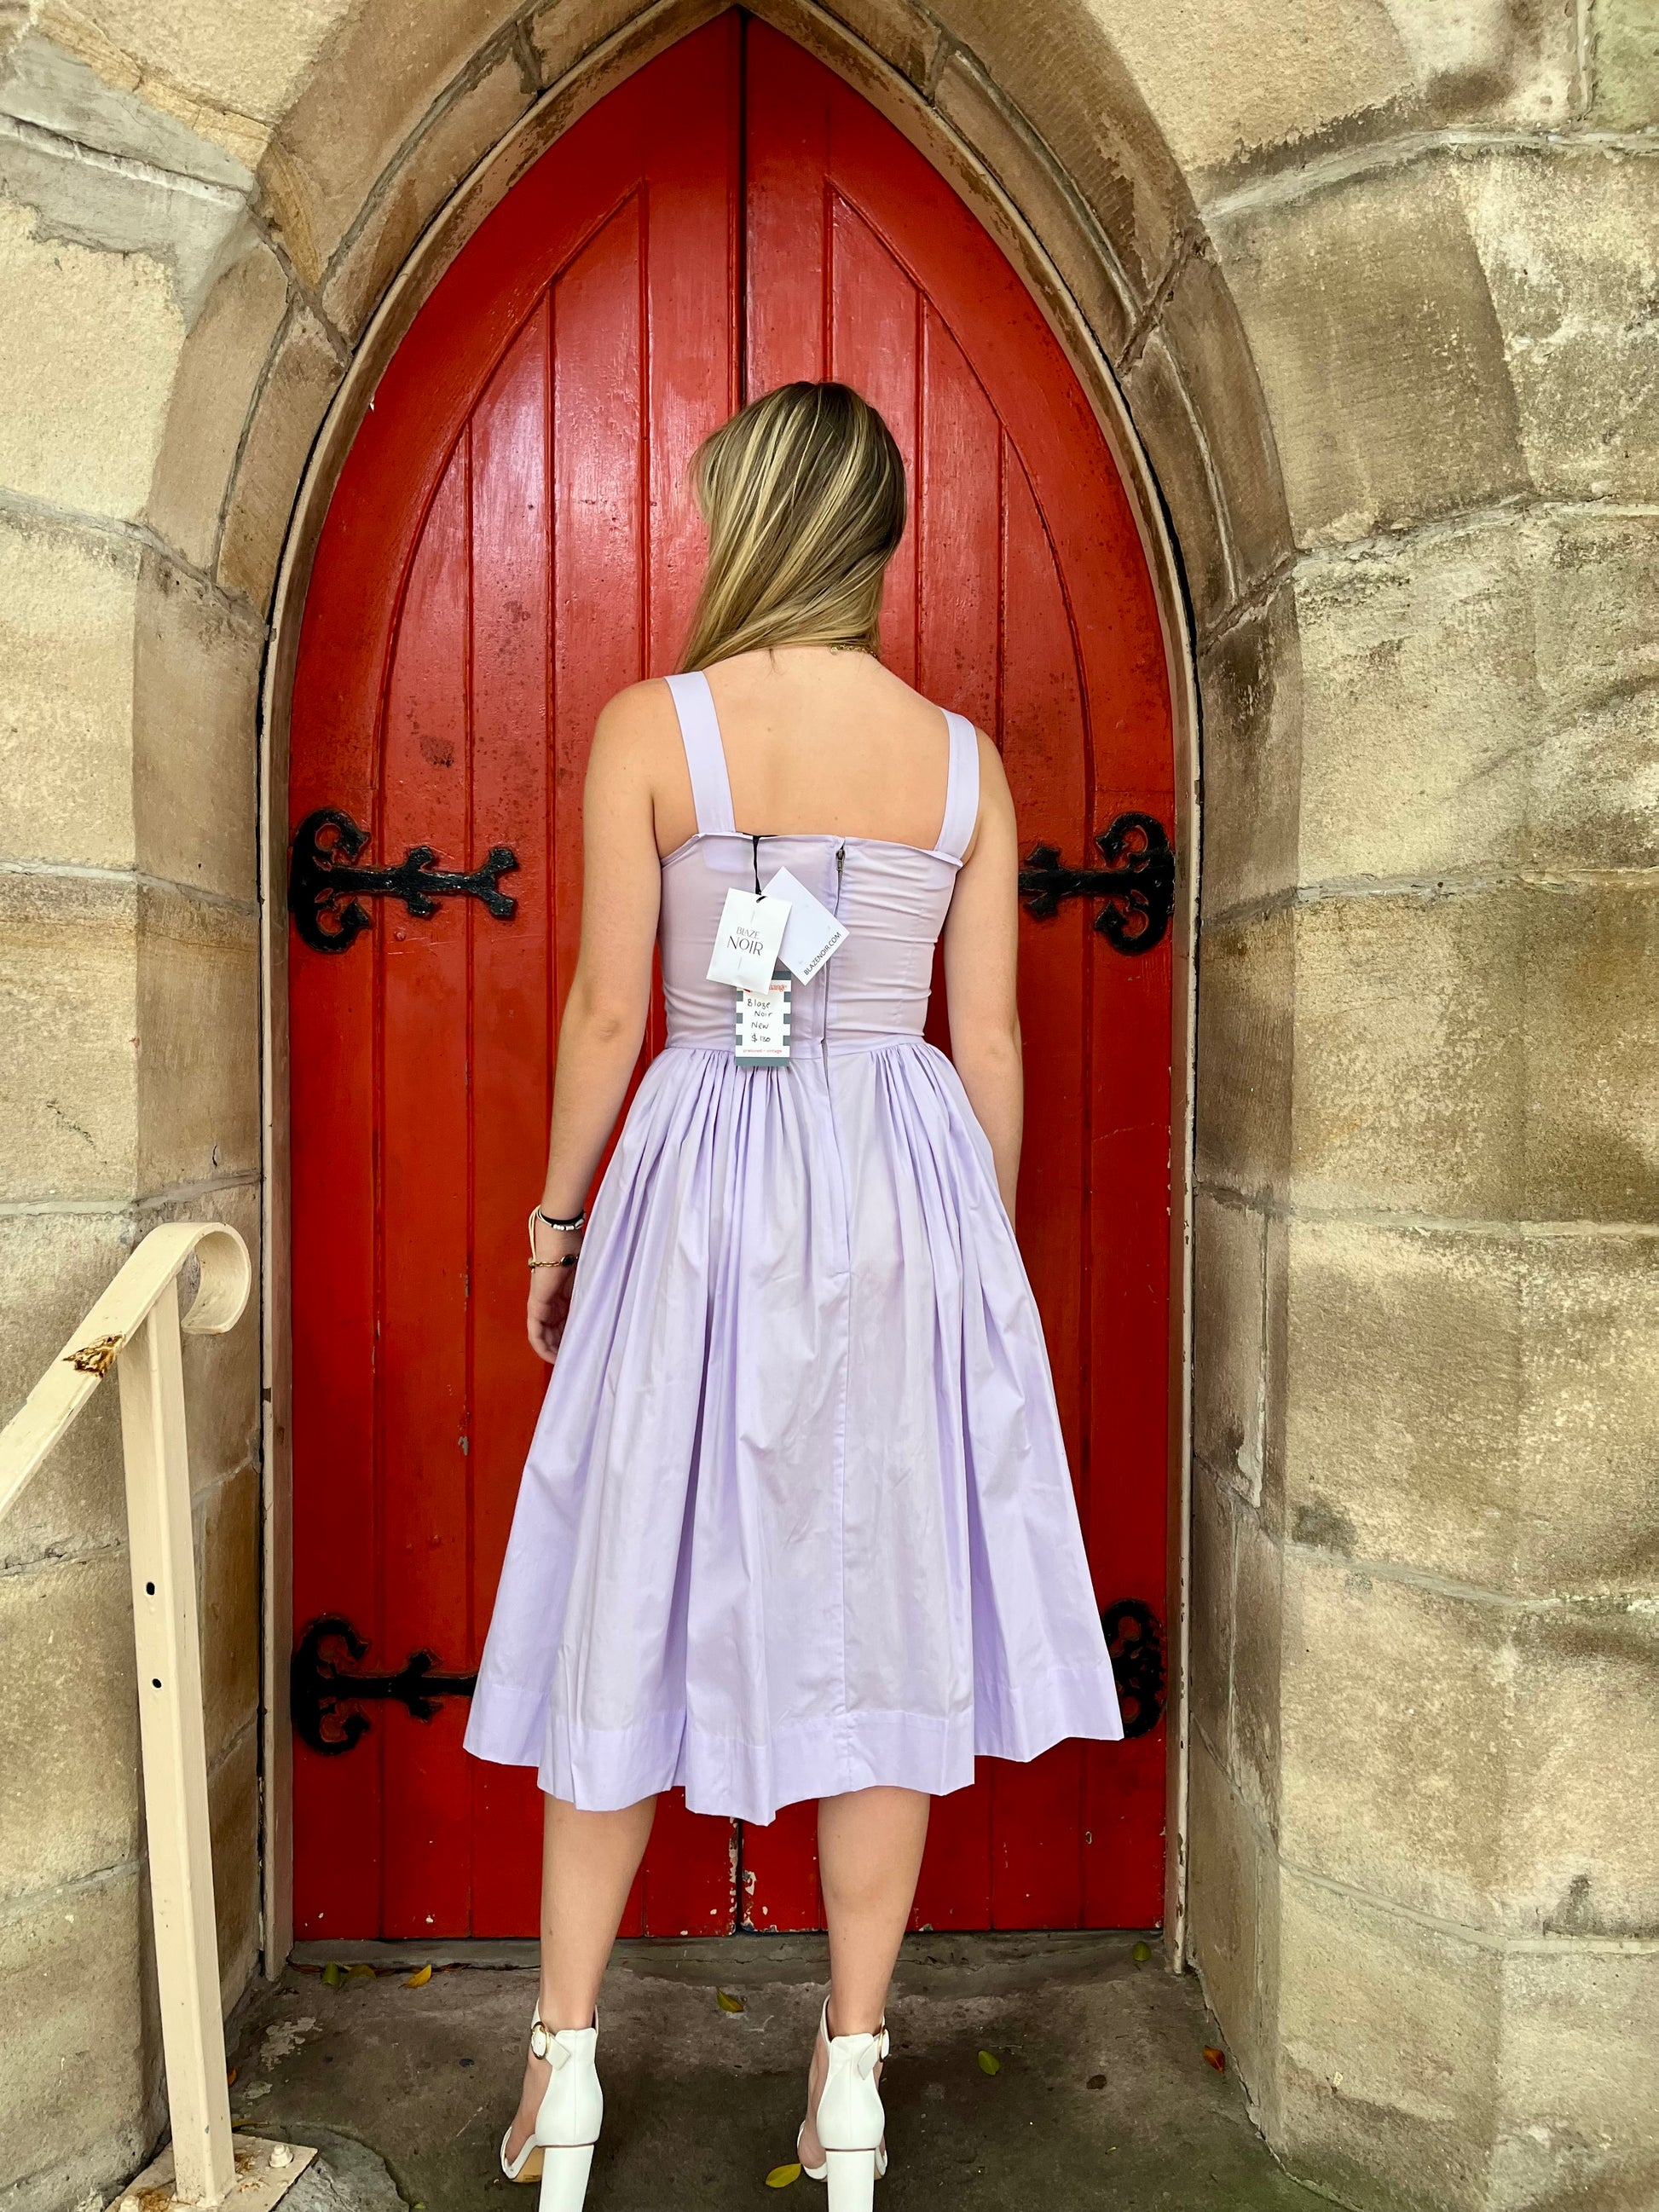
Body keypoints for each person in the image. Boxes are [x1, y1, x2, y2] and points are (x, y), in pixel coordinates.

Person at [464, 379, 1123, 2209]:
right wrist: (963, 1262)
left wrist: (554, 1218)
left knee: (623, 1579)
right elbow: (981, 1040)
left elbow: (611, 1011)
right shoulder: (965, 762)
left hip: (698, 1179)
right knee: (879, 1609)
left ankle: (564, 2074)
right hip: (896, 1186)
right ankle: (850, 2088)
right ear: (881, 541)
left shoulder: (653, 727)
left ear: (741, 519)